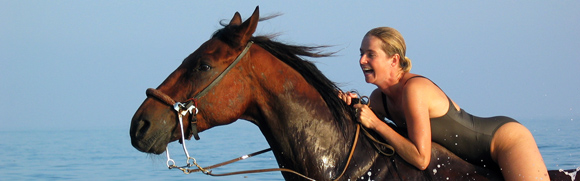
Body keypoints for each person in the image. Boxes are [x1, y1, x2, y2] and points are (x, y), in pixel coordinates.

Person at [339, 27, 549, 180]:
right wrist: (351, 105)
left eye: (370, 54)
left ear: (393, 60)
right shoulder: (378, 99)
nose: (362, 60)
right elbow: (365, 126)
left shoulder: (414, 90)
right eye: (361, 53)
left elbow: (421, 158)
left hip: (505, 142)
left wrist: (376, 123)